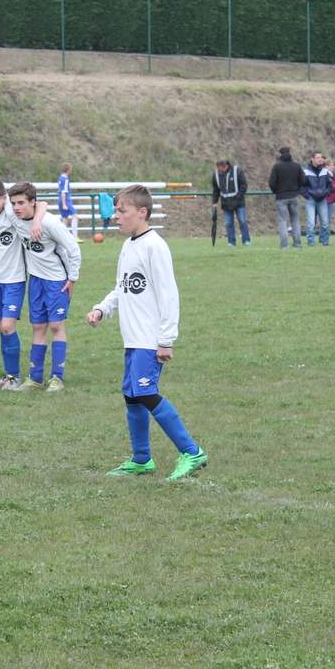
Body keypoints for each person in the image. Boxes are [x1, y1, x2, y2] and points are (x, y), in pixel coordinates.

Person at [88, 184, 207, 481]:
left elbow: (169, 296)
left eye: (122, 211)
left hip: (149, 339)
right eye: (116, 210)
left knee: (145, 392)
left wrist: (166, 340)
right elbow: (122, 286)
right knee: (132, 396)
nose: (116, 216)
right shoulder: (129, 245)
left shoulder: (155, 246)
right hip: (132, 338)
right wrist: (103, 309)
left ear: (142, 212)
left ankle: (192, 452)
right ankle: (142, 459)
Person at [6, 182, 81, 392]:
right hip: (36, 280)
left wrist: (72, 279)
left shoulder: (51, 223)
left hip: (57, 280)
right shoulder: (15, 217)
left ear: (32, 202)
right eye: (13, 203)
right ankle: (35, 378)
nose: (16, 207)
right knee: (38, 328)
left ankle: (57, 378)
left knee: (56, 326)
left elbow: (73, 249)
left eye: (21, 203)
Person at [0, 179, 44, 390]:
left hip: (14, 280)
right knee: (1, 328)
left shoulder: (12, 213)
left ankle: (14, 377)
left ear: (4, 198)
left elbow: (41, 205)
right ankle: (9, 375)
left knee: (7, 326)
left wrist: (37, 221)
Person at [268, 147, 305, 249]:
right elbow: (303, 180)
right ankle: (297, 244)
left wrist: (276, 191)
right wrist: (296, 189)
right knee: (295, 220)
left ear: (280, 155)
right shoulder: (296, 166)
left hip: (281, 197)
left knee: (282, 221)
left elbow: (271, 183)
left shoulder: (277, 167)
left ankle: (284, 245)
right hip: (294, 196)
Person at [211, 159, 250, 247]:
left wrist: (238, 196)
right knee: (228, 223)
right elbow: (215, 190)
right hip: (226, 203)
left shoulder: (237, 171)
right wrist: (214, 202)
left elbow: (244, 185)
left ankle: (246, 240)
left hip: (239, 202)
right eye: (218, 168)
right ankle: (231, 242)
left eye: (221, 168)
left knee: (242, 221)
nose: (220, 170)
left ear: (226, 166)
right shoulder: (216, 175)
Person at [300, 152, 333, 246]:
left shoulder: (325, 171)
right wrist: (307, 196)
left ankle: (325, 242)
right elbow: (301, 186)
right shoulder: (306, 171)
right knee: (311, 223)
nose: (320, 159)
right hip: (311, 200)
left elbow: (330, 185)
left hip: (322, 200)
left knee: (325, 222)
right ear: (312, 159)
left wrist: (326, 193)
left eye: (321, 157)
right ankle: (311, 242)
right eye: (317, 157)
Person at [58, 163, 79, 240]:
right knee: (75, 215)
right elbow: (64, 192)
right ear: (68, 170)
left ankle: (63, 237)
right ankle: (75, 236)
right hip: (65, 200)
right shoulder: (65, 179)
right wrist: (64, 204)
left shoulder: (60, 178)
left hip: (60, 200)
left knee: (65, 218)